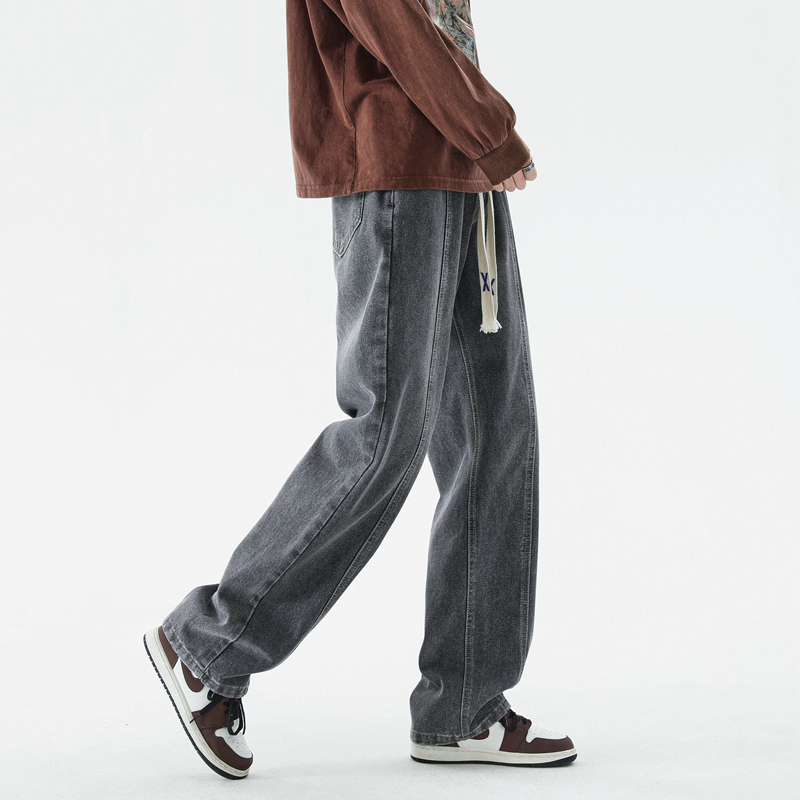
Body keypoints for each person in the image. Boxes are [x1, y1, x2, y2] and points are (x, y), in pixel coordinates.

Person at [143, 0, 576, 779]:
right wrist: (489, 130)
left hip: (457, 168)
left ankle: (464, 704)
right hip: (398, 161)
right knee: (385, 435)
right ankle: (206, 645)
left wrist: (478, 143)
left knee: (496, 434)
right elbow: (393, 19)